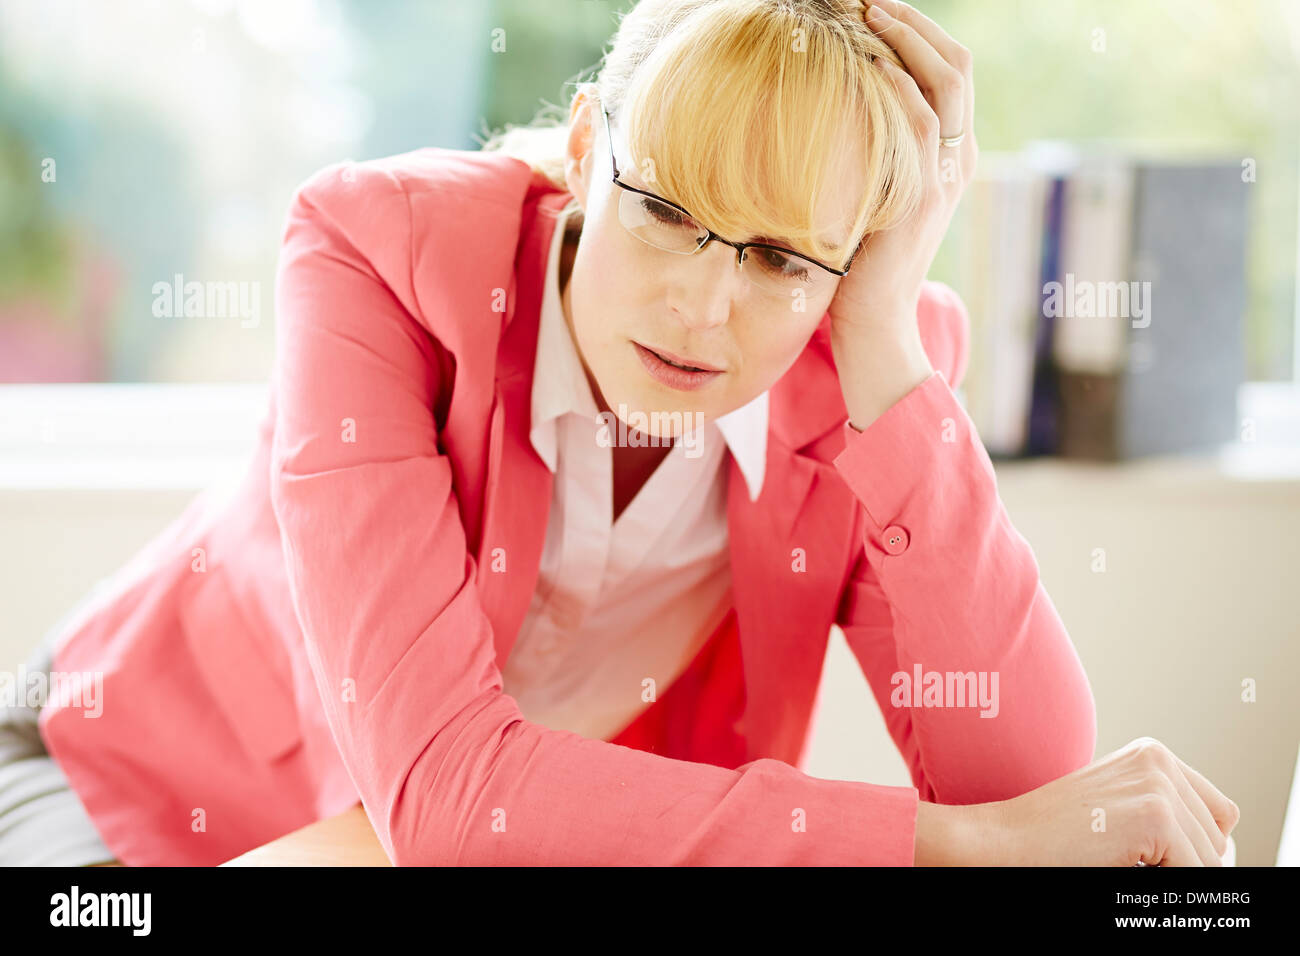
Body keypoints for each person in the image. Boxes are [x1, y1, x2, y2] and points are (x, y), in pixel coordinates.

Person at [3, 0, 1237, 867]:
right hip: (119, 788)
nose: (703, 308)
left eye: (777, 255)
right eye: (663, 212)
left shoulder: (866, 363)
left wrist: (880, 339)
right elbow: (444, 796)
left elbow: (1024, 788)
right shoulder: (378, 254)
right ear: (589, 147)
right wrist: (950, 849)